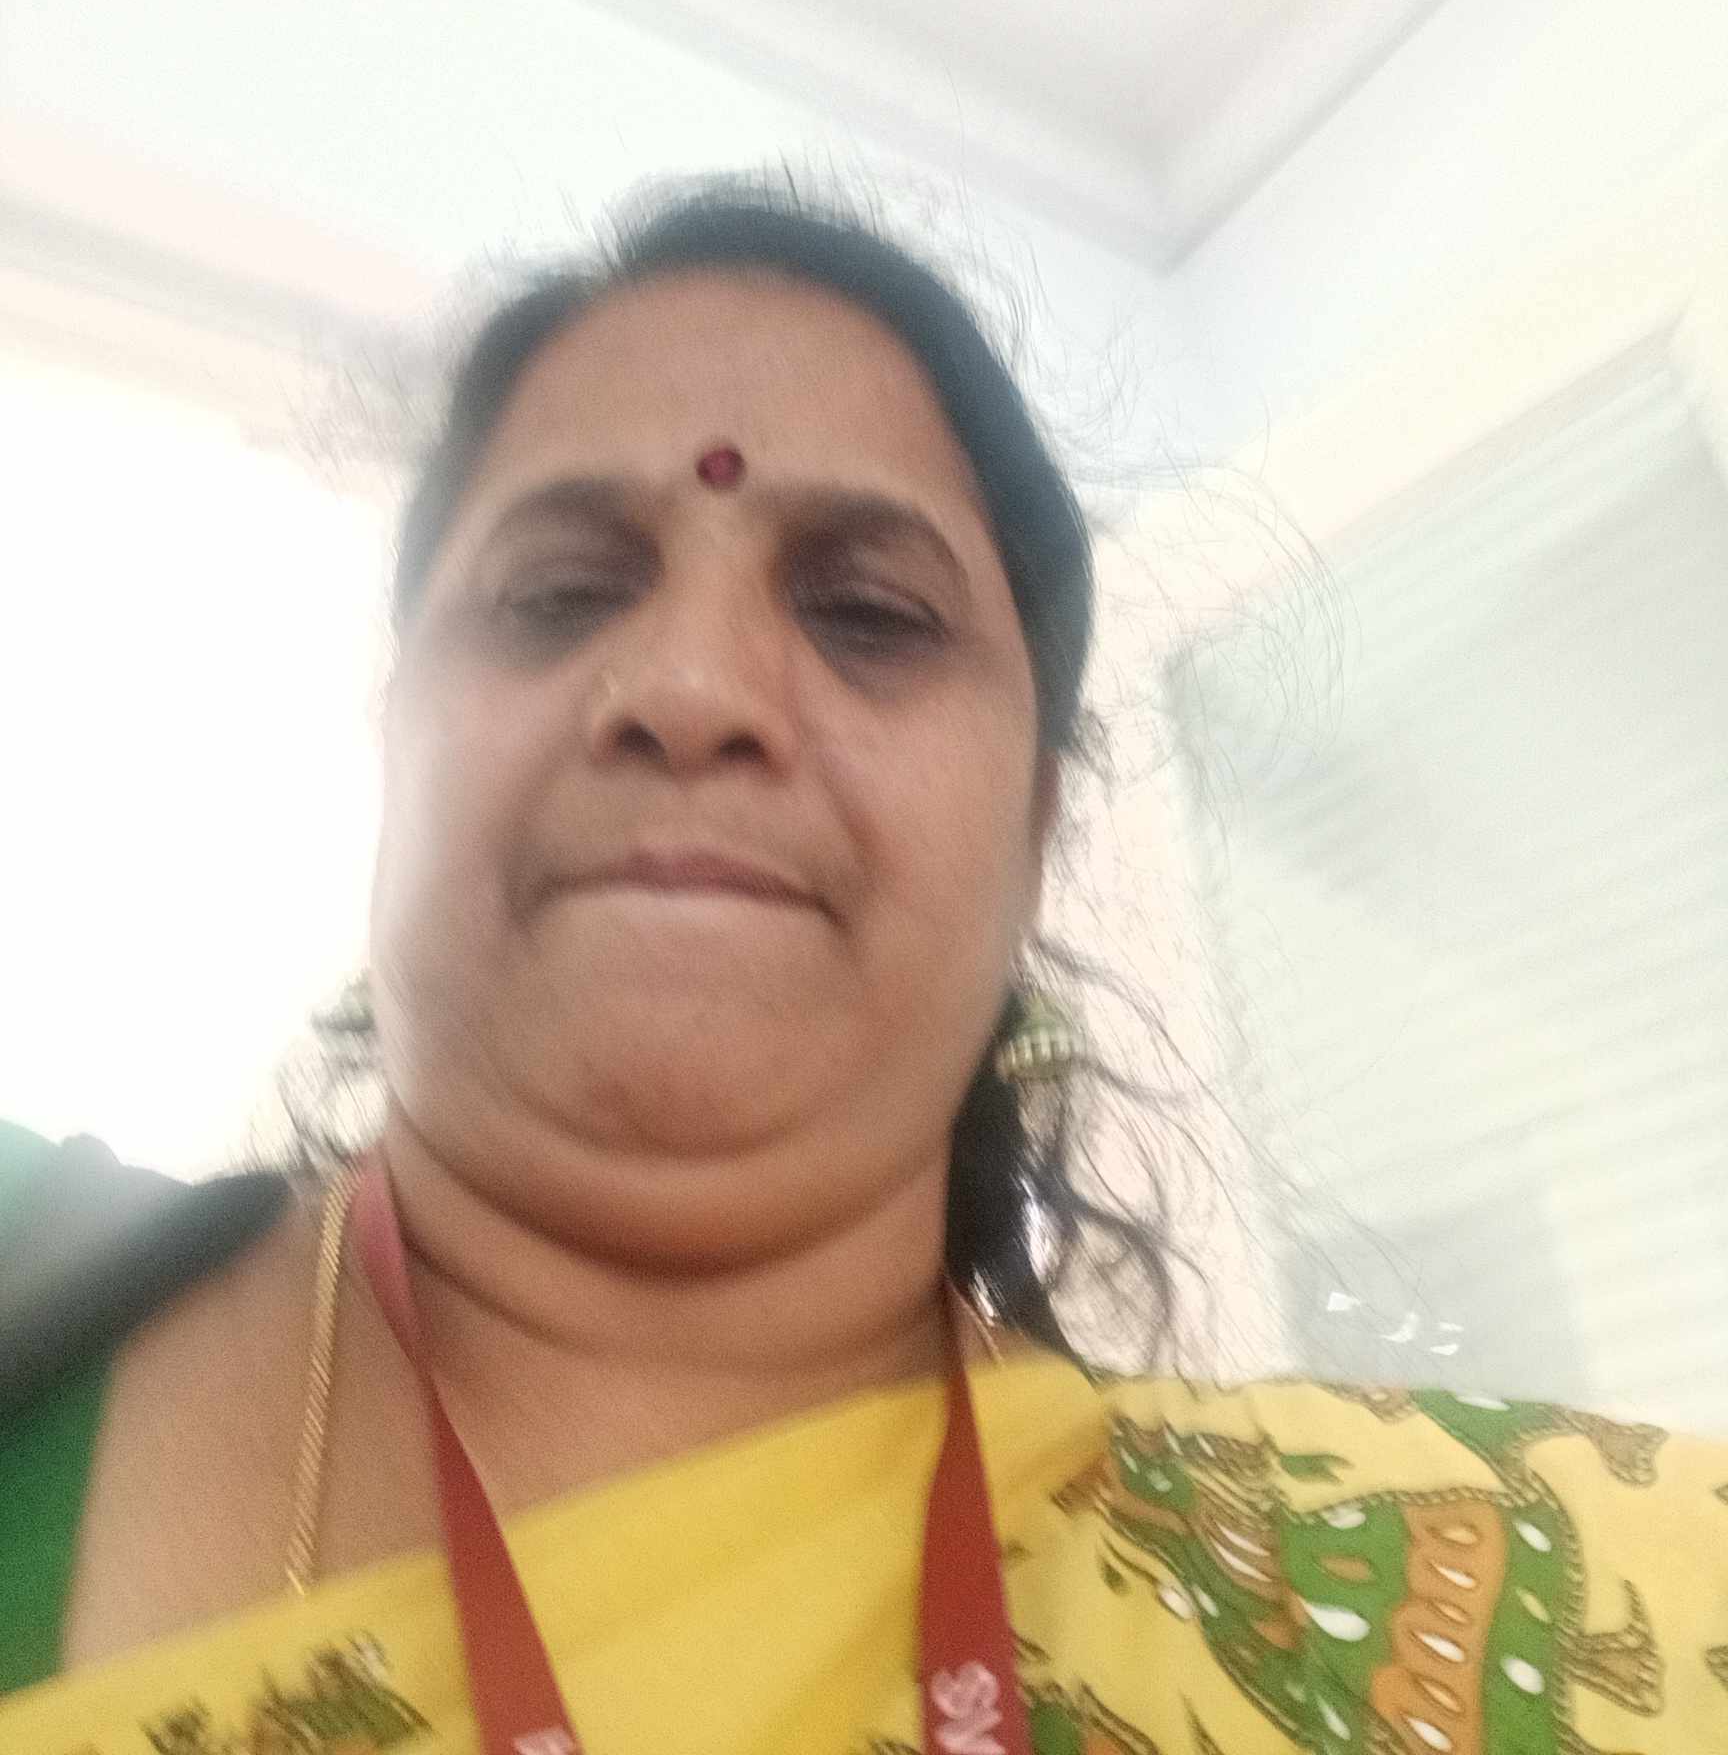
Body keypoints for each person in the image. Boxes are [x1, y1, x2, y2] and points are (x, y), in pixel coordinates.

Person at [1, 180, 1722, 1755]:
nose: (693, 688)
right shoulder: (36, 1292)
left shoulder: (1546, 1597)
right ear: (400, 739)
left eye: (872, 614)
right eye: (563, 592)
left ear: (1038, 824)